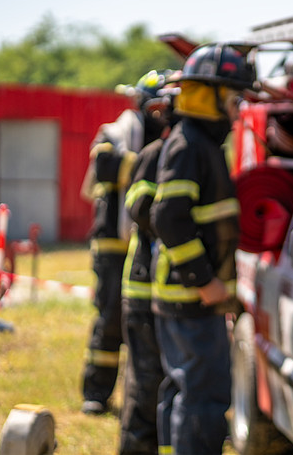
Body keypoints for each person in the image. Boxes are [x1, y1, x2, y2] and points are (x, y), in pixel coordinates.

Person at [150, 42, 254, 454]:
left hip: (185, 297)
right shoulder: (190, 144)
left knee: (182, 391)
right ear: (209, 95)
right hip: (191, 297)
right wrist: (205, 281)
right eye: (233, 97)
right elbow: (169, 219)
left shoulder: (195, 141)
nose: (237, 109)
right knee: (205, 396)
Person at [80, 69, 173, 415]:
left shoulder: (169, 138)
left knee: (146, 320)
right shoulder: (117, 132)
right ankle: (97, 392)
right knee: (109, 317)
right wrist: (153, 166)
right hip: (113, 242)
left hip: (148, 239)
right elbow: (103, 165)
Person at [119, 70, 178, 454]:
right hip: (142, 290)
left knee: (163, 384)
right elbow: (138, 207)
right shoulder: (155, 155)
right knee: (144, 384)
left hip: (168, 293)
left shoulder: (182, 151)